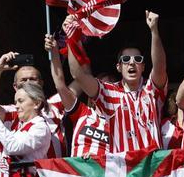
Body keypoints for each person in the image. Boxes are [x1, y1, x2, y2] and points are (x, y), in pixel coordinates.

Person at [66, 10, 168, 154]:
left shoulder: (151, 89)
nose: (132, 63)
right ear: (118, 67)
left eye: (137, 59)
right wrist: (71, 38)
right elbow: (78, 75)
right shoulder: (108, 92)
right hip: (124, 171)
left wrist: (154, 31)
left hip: (154, 170)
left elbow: (160, 67)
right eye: (126, 60)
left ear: (143, 67)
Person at [46, 34, 110, 158]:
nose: (103, 93)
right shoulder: (82, 112)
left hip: (106, 174)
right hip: (78, 174)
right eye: (101, 88)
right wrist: (54, 51)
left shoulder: (121, 121)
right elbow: (60, 85)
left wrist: (98, 158)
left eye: (108, 90)